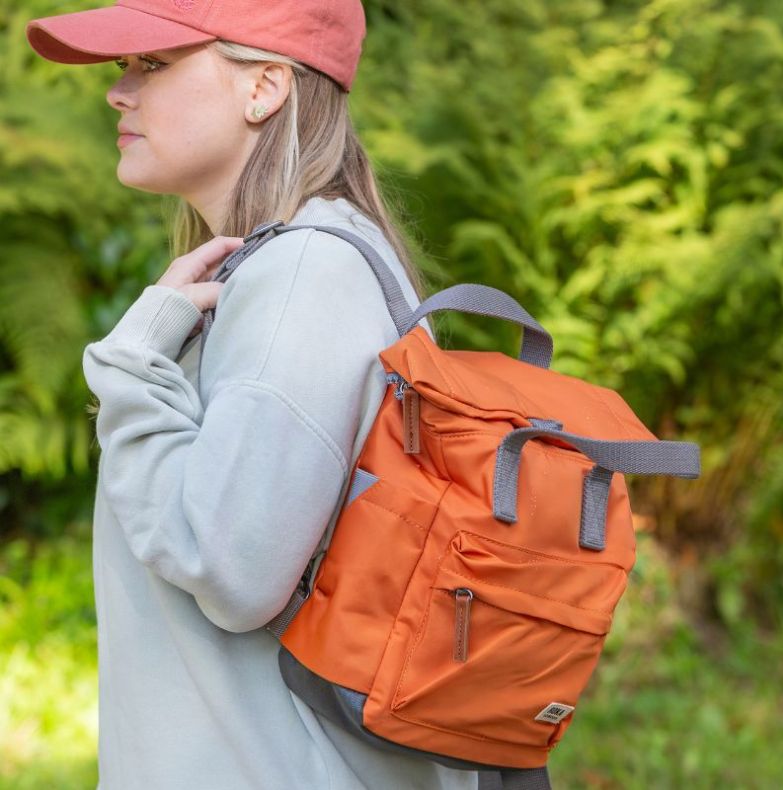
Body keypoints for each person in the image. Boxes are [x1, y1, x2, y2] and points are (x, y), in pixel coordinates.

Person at [25, 2, 479, 789]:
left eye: (154, 64)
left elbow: (230, 567)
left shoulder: (305, 277)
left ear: (265, 86)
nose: (118, 92)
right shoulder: (286, 268)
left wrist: (133, 369)